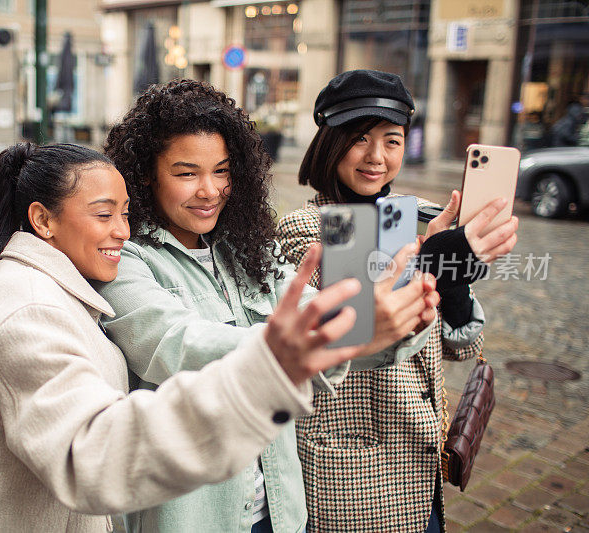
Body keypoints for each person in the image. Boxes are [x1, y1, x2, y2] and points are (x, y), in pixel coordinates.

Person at [0, 142, 369, 532]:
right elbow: (94, 455)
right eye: (103, 214)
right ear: (43, 219)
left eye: (124, 213)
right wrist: (272, 367)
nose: (121, 230)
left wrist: (383, 312)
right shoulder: (32, 308)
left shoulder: (56, 286)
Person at [96, 79, 440, 533]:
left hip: (278, 510)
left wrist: (401, 315)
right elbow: (173, 343)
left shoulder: (245, 251)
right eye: (186, 173)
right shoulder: (127, 260)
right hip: (196, 514)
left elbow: (329, 322)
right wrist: (304, 343)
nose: (209, 190)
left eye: (221, 171)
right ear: (144, 173)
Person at [275, 69, 519, 532]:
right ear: (329, 142)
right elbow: (360, 327)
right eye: (359, 139)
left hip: (420, 461)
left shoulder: (407, 220)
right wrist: (435, 257)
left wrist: (451, 277)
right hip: (352, 475)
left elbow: (457, 347)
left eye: (392, 140)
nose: (376, 157)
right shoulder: (305, 228)